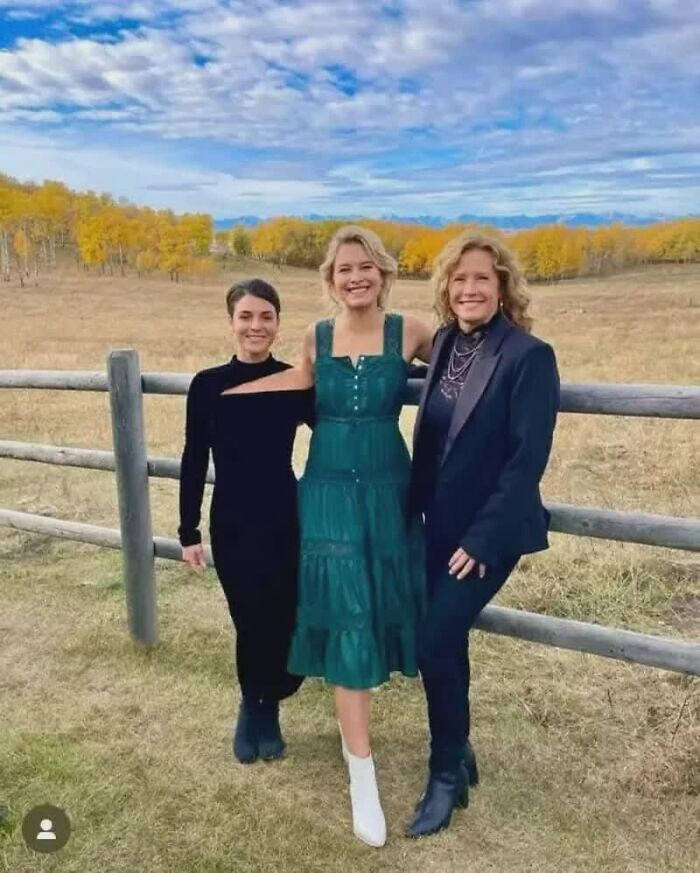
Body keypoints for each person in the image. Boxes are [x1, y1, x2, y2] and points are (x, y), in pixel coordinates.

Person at [244, 225, 432, 847]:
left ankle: (437, 749)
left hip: (388, 492)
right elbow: (294, 384)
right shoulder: (316, 336)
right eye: (344, 269)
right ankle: (362, 775)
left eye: (366, 267)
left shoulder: (412, 332)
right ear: (331, 278)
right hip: (325, 497)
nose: (355, 278)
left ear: (382, 273)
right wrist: (224, 392)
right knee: (349, 615)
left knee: (389, 609)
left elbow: (475, 363)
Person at [406, 232, 560, 837]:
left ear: (502, 289)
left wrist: (482, 539)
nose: (469, 289)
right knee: (447, 646)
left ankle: (444, 772)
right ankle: (459, 749)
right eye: (459, 279)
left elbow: (527, 462)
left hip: (486, 538)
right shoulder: (444, 343)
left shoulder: (528, 357)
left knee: (432, 644)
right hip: (435, 531)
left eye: (482, 280)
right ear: (447, 287)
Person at [178, 278, 313, 765]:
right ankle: (255, 708)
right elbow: (194, 458)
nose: (256, 326)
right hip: (232, 519)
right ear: (232, 321)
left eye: (266, 317)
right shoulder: (208, 385)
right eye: (246, 316)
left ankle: (270, 698)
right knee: (249, 617)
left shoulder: (296, 381)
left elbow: (337, 431)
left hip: (285, 516)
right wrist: (188, 531)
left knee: (281, 613)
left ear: (278, 324)